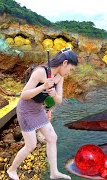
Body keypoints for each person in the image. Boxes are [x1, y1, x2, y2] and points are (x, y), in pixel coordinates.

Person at [7, 47, 78, 180]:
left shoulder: (60, 77)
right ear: (64, 63)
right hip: (26, 110)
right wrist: (43, 87)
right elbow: (24, 95)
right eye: (70, 68)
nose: (69, 72)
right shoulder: (40, 72)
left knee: (52, 138)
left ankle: (54, 173)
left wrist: (54, 94)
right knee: (31, 145)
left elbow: (59, 100)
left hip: (38, 109)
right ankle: (12, 170)